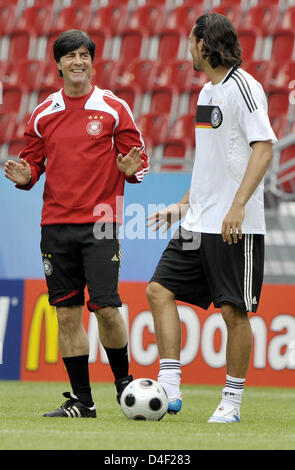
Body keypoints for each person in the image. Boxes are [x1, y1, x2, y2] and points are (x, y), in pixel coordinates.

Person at [5, 29, 149, 418]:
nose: (78, 62)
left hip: (102, 223)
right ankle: (83, 402)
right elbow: (32, 164)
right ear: (58, 64)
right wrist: (26, 177)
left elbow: (138, 160)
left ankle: (124, 387)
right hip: (55, 225)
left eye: (84, 55)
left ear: (92, 61)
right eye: (70, 56)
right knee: (67, 315)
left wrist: (131, 171)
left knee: (105, 308)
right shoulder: (42, 115)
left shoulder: (114, 107)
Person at [146, 13, 277, 423]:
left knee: (234, 312)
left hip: (234, 224)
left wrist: (237, 205)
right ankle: (169, 384)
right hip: (198, 220)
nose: (188, 48)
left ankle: (231, 402)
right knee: (157, 291)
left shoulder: (246, 87)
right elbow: (208, 161)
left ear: (205, 45)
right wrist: (183, 205)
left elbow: (264, 148)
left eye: (190, 41)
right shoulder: (206, 93)